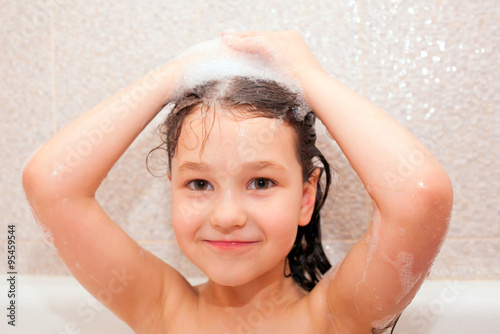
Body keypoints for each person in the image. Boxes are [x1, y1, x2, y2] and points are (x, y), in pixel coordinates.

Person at [22, 30, 453, 333]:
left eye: (261, 182)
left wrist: (308, 77)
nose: (227, 216)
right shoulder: (159, 306)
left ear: (306, 198)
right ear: (170, 189)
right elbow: (50, 184)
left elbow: (420, 197)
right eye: (199, 184)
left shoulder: (338, 316)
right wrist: (175, 75)